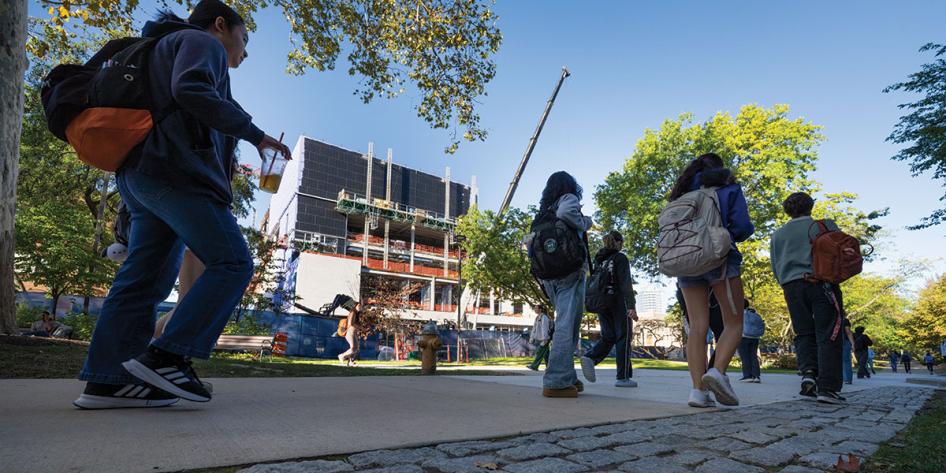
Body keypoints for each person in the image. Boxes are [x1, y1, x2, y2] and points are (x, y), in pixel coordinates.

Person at [74, 0, 291, 410]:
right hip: (176, 178)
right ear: (221, 25)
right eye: (244, 39)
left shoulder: (163, 47)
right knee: (233, 262)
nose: (244, 51)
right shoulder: (200, 42)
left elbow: (184, 107)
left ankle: (107, 382)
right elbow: (190, 91)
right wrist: (256, 135)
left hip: (141, 176)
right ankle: (168, 356)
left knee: (144, 280)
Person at [670, 153, 753, 408]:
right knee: (735, 322)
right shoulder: (728, 188)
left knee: (697, 327)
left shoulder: (681, 194)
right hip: (720, 259)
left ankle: (697, 391)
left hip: (687, 260)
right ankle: (717, 372)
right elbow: (742, 227)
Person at [770, 192, 848, 404]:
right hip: (821, 283)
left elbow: (775, 266)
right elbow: (840, 252)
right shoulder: (823, 226)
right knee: (829, 333)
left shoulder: (777, 235)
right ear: (811, 206)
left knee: (803, 332)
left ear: (787, 210)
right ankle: (828, 387)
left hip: (791, 286)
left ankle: (808, 373)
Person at [526, 171, 593, 398]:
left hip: (548, 275)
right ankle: (556, 381)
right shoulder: (568, 200)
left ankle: (568, 376)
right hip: (570, 271)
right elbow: (568, 214)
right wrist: (586, 222)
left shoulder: (543, 212)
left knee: (567, 322)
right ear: (571, 186)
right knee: (567, 323)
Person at [580, 231, 639, 388]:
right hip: (618, 301)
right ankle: (623, 377)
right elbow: (626, 283)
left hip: (602, 302)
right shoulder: (620, 258)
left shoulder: (600, 261)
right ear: (619, 242)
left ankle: (591, 358)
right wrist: (632, 306)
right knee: (623, 337)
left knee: (609, 337)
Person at [326, 294, 361, 366]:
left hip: (353, 332)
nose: (361, 308)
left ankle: (351, 362)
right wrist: (361, 328)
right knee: (354, 348)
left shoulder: (357, 313)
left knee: (356, 348)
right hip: (350, 332)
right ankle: (342, 356)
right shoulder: (353, 312)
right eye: (359, 306)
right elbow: (351, 324)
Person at [738, 302, 764, 383]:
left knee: (745, 357)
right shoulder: (754, 313)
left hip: (744, 337)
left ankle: (747, 376)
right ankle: (756, 376)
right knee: (753, 356)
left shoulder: (740, 314)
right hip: (755, 337)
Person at [842, 318, 855, 384]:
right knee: (846, 361)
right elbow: (848, 332)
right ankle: (847, 379)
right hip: (844, 342)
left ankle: (843, 378)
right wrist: (852, 344)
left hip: (833, 342)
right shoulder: (844, 320)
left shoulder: (830, 318)